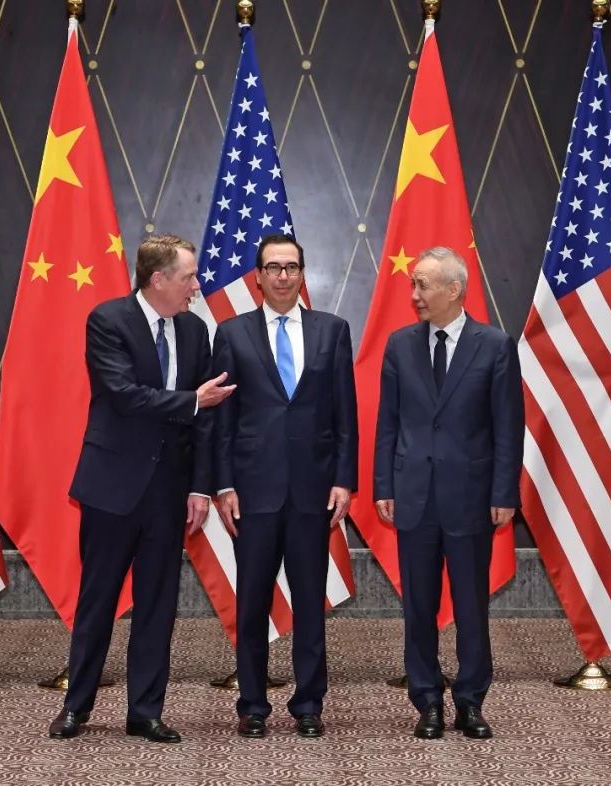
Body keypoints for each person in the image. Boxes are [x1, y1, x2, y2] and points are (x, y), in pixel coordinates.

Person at [49, 234, 235, 741]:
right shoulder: (108, 320)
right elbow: (124, 395)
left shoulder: (196, 330)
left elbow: (203, 424)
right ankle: (77, 707)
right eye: (189, 277)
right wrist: (192, 400)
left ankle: (146, 711)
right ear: (158, 280)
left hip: (169, 491)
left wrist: (200, 488)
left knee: (158, 605)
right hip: (112, 486)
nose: (196, 287)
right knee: (98, 601)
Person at [373, 246, 523, 740]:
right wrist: (383, 484)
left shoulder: (494, 345)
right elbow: (388, 422)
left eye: (423, 285)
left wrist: (504, 492)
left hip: (471, 497)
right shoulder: (400, 345)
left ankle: (471, 701)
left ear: (454, 290)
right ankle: (427, 701)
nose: (414, 294)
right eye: (413, 284)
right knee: (418, 606)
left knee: (471, 606)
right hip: (413, 495)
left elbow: (508, 427)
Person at [212, 234, 358, 739]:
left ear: (302, 274)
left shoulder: (332, 331)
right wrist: (223, 485)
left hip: (313, 492)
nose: (282, 276)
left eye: (291, 267)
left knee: (310, 602)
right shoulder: (231, 333)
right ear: (257, 276)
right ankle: (252, 704)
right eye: (273, 267)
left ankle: (309, 703)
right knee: (252, 603)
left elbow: (345, 414)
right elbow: (222, 422)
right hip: (252, 493)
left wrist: (344, 479)